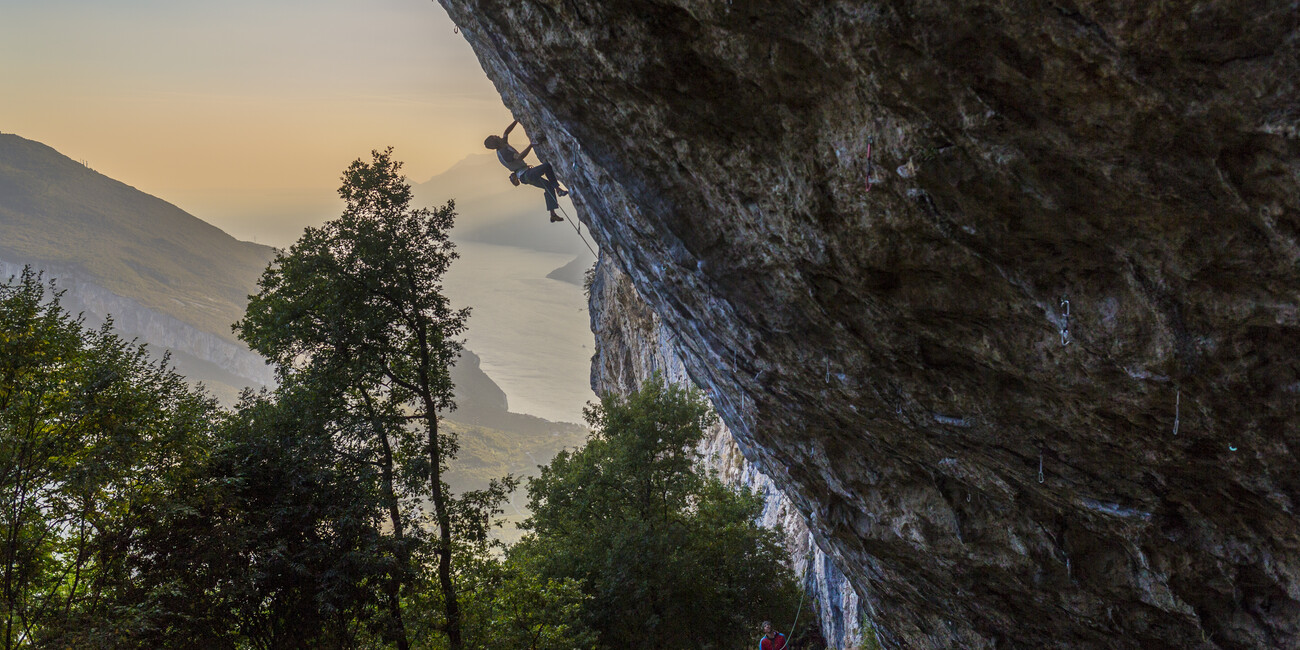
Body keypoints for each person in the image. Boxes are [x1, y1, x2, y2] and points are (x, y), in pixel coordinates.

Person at [484, 120, 568, 222]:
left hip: (525, 176)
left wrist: (517, 120)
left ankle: (553, 214)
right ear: (495, 142)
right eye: (495, 137)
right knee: (547, 166)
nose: (497, 135)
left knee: (548, 187)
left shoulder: (503, 144)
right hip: (526, 174)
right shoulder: (504, 153)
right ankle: (558, 189)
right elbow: (519, 157)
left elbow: (506, 132)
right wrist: (531, 145)